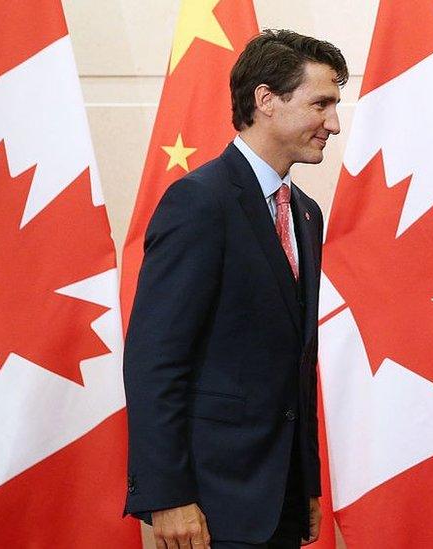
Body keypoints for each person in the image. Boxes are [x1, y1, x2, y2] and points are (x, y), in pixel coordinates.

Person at [123, 29, 347, 549]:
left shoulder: (305, 214)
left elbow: (294, 361)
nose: (334, 124)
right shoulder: (199, 202)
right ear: (266, 100)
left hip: (281, 501)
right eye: (321, 103)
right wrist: (168, 495)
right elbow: (155, 359)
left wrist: (306, 484)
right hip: (209, 504)